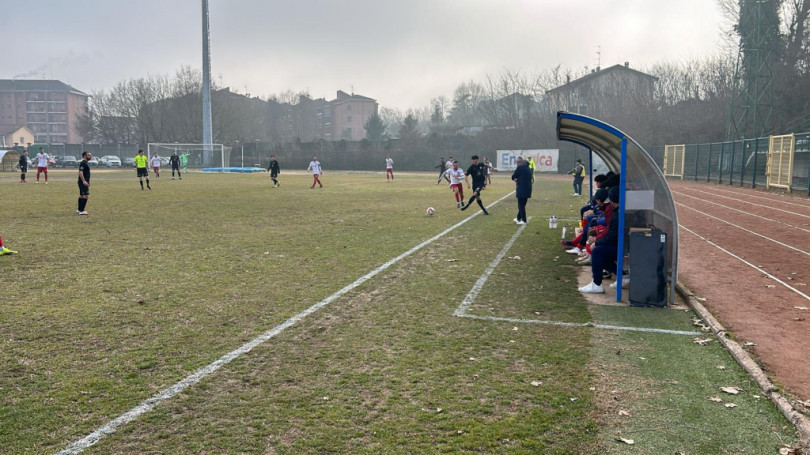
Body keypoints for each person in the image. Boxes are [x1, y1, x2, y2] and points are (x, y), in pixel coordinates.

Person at [579, 186, 621, 294]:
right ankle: (622, 275)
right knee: (599, 250)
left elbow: (612, 236)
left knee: (597, 251)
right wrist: (597, 240)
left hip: (623, 246)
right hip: (623, 244)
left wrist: (597, 242)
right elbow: (611, 231)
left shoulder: (616, 214)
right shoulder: (617, 212)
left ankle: (597, 284)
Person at [511, 156, 532, 225]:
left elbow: (513, 176)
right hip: (528, 189)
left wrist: (515, 178)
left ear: (519, 162)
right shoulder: (528, 168)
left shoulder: (520, 168)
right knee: (523, 204)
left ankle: (524, 220)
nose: (516, 163)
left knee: (520, 205)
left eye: (516, 162)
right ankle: (518, 218)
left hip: (521, 189)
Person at [77, 151, 92, 215]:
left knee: (81, 195)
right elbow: (80, 172)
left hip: (82, 182)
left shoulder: (85, 163)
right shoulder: (83, 163)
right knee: (85, 196)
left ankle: (79, 209)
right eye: (89, 155)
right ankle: (82, 211)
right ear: (85, 156)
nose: (90, 156)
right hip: (83, 182)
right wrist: (84, 181)